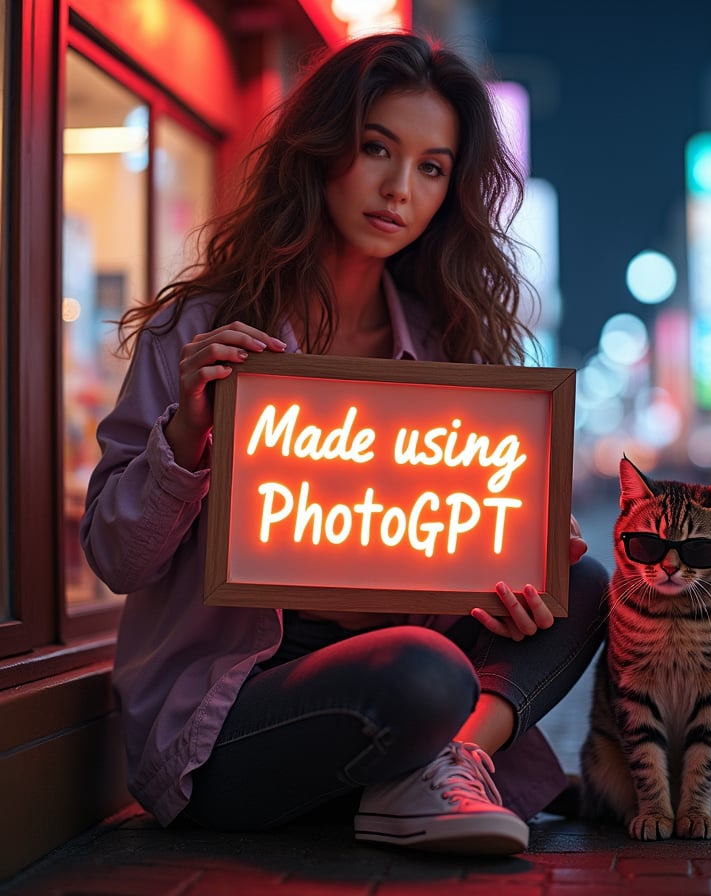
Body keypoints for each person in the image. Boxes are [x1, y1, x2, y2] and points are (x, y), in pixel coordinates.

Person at [80, 31, 608, 857]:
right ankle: (425, 756)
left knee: (576, 577)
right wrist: (186, 432)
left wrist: (513, 574)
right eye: (376, 149)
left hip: (410, 677)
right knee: (421, 671)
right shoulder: (205, 331)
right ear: (321, 151)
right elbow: (116, 559)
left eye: (432, 167)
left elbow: (448, 561)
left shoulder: (449, 350)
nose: (400, 189)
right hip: (241, 717)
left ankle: (451, 756)